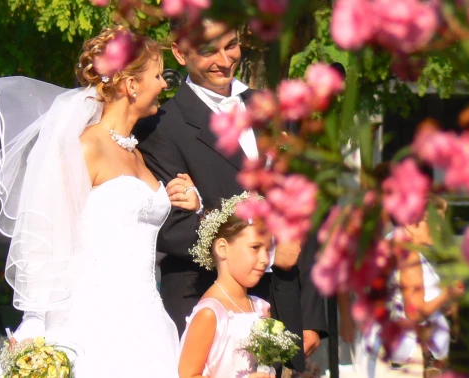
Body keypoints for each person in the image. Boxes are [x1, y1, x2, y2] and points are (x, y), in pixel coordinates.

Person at [0, 26, 200, 378]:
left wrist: (188, 201)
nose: (164, 84)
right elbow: (48, 239)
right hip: (91, 321)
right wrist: (36, 325)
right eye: (158, 75)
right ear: (131, 85)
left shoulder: (138, 153)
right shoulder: (85, 147)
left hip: (148, 321)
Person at [135, 18, 327, 374]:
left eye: (232, 46)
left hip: (282, 305)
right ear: (179, 52)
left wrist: (312, 315)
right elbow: (173, 228)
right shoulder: (162, 127)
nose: (224, 60)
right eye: (209, 51)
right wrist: (262, 249)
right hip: (209, 311)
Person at [360, 196, 464, 377]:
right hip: (409, 361)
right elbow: (414, 312)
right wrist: (448, 293)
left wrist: (439, 303)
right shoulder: (408, 255)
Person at [179, 194, 275, 378]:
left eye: (268, 250)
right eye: (255, 248)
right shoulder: (210, 314)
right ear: (223, 248)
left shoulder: (261, 308)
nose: (265, 259)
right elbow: (188, 374)